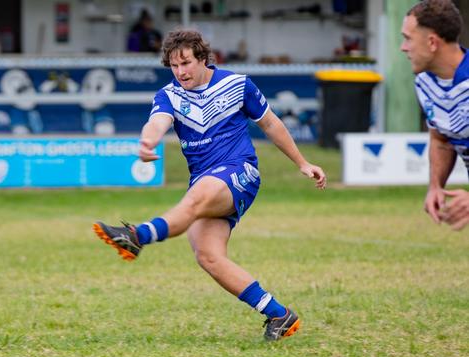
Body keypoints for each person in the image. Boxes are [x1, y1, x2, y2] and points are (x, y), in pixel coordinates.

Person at [93, 29, 326, 341]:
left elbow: (270, 123)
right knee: (208, 256)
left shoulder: (237, 84)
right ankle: (279, 315)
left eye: (186, 63)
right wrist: (148, 141)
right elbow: (157, 122)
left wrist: (302, 162)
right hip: (205, 180)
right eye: (174, 66)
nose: (181, 72)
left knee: (194, 200)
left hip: (239, 172)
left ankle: (137, 236)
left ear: (202, 58)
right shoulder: (169, 95)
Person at [400, 0, 469, 231]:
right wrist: (436, 186)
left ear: (432, 42)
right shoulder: (425, 83)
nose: (403, 47)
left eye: (408, 38)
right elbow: (441, 140)